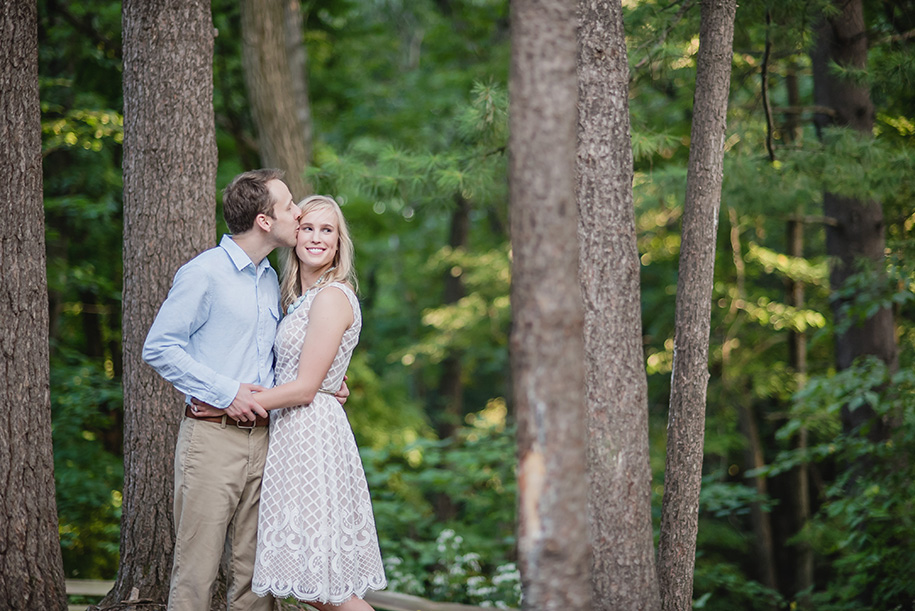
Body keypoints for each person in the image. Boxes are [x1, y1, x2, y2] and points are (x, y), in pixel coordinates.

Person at [143, 169, 344, 611]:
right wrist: (226, 391)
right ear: (265, 221)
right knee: (196, 572)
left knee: (258, 579)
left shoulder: (270, 279)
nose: (298, 212)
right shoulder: (204, 273)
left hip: (271, 443)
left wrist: (326, 383)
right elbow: (158, 347)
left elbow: (276, 357)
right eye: (290, 206)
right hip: (212, 439)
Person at [196, 195, 386, 610]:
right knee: (297, 576)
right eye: (308, 228)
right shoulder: (296, 298)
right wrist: (332, 383)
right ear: (294, 235)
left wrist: (224, 401)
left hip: (310, 438)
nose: (317, 238)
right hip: (289, 436)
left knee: (317, 583)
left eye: (328, 230)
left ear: (339, 243)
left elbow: (303, 388)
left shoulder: (332, 296)